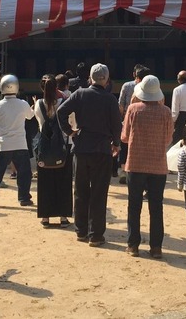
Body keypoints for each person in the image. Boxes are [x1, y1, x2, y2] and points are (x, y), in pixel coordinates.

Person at [57, 63, 122, 247]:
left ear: (90, 79)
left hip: (82, 146)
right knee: (99, 193)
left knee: (81, 190)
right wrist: (116, 144)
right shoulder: (110, 99)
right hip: (102, 149)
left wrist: (70, 132)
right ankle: (96, 235)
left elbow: (62, 112)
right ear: (107, 80)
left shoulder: (79, 94)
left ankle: (81, 230)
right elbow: (117, 125)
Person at [121, 75, 173, 258]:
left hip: (135, 164)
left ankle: (133, 245)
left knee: (134, 206)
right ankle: (156, 247)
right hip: (158, 165)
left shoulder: (133, 109)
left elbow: (124, 137)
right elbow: (168, 139)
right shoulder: (166, 112)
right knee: (156, 207)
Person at [0, 74, 35, 208]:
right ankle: (24, 198)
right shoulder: (23, 104)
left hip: (3, 144)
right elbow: (30, 116)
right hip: (20, 144)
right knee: (24, 173)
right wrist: (33, 106)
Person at [34, 74, 73, 227]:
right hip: (63, 146)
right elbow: (71, 123)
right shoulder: (64, 103)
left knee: (45, 183)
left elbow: (38, 122)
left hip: (44, 147)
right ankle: (63, 217)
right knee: (63, 182)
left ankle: (45, 217)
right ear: (56, 88)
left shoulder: (38, 105)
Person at [118, 64, 151, 184]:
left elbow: (121, 104)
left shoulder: (127, 86)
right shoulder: (152, 88)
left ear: (134, 75)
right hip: (146, 122)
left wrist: (122, 118)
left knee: (125, 144)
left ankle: (123, 171)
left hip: (128, 119)